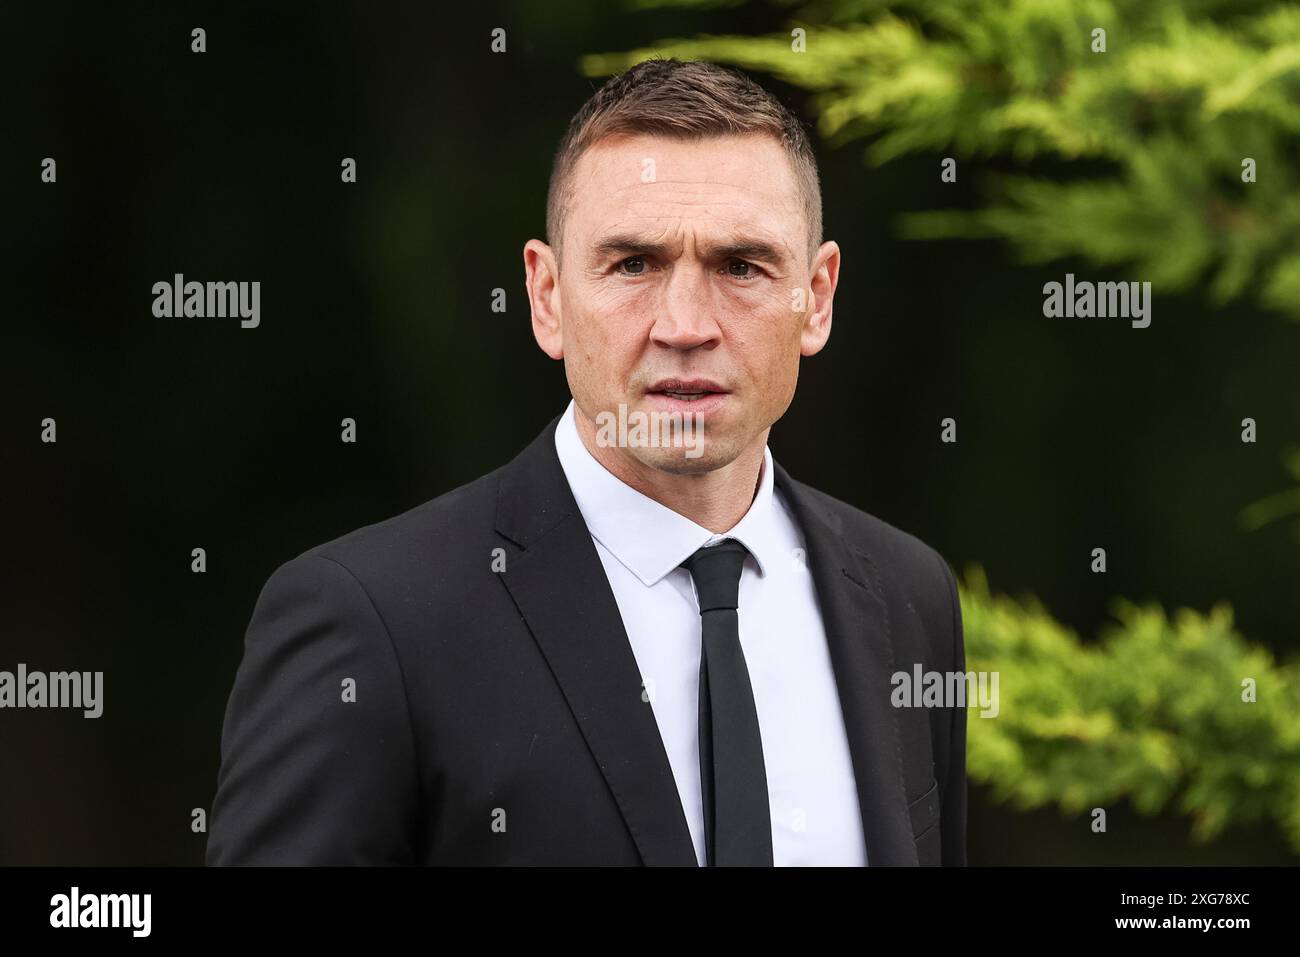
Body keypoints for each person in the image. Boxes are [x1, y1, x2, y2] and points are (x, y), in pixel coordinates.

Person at [206, 57, 966, 867]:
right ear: (546, 297)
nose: (685, 323)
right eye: (633, 264)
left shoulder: (906, 596)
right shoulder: (372, 624)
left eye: (741, 266)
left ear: (815, 297)